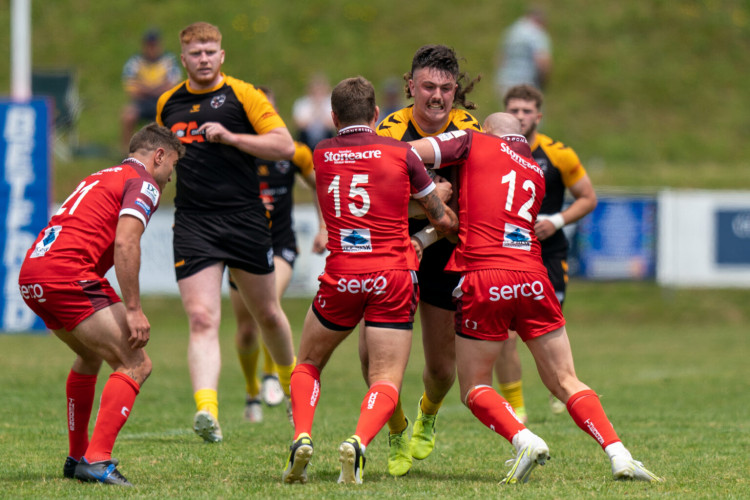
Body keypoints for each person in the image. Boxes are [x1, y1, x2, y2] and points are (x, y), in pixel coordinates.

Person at [409, 112, 663, 484]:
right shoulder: (534, 171)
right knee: (566, 379)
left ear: (488, 132)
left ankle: (523, 438)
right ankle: (619, 454)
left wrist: (432, 195)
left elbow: (406, 155)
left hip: (485, 276)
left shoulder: (472, 140)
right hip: (532, 275)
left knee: (475, 386)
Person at [281, 76, 458, 485]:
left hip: (343, 273)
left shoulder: (321, 154)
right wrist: (440, 201)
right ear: (376, 115)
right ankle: (359, 442)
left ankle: (302, 435)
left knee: (308, 362)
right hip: (393, 276)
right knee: (386, 378)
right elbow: (440, 219)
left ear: (333, 117)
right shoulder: (400, 153)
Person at [18, 123, 184, 487]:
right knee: (136, 363)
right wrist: (134, 308)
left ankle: (76, 457)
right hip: (66, 274)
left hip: (33, 275)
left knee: (91, 357)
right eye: (172, 164)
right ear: (158, 156)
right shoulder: (143, 182)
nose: (171, 176)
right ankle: (97, 460)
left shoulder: (101, 175)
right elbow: (126, 243)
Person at [156, 22, 297, 443]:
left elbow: (285, 145)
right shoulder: (168, 103)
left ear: (222, 56)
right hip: (194, 222)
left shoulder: (243, 95)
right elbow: (159, 156)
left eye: (209, 52)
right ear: (183, 59)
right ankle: (207, 411)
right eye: (195, 53)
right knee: (201, 318)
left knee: (267, 314)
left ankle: (294, 390)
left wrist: (233, 137)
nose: (203, 59)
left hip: (244, 218)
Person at [375, 44, 481, 477]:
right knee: (374, 361)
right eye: (428, 87)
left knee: (440, 369)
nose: (437, 97)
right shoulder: (388, 129)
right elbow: (378, 203)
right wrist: (428, 205)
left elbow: (469, 210)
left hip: (444, 255)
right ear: (410, 86)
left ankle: (428, 413)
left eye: (445, 88)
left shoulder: (469, 127)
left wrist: (428, 226)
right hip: (392, 250)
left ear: (455, 90)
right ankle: (396, 430)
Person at [495, 84, 598, 422]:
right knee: (506, 334)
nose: (520, 117)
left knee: (548, 331)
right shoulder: (491, 151)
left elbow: (587, 197)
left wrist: (555, 220)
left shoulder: (558, 154)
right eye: (514, 110)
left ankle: (563, 388)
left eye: (526, 111)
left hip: (548, 253)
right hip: (506, 253)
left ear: (538, 116)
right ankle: (517, 407)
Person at [232, 85, 327, 424]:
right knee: (245, 328)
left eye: (267, 109)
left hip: (281, 244)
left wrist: (323, 227)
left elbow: (319, 183)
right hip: (241, 248)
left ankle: (275, 376)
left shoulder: (293, 152)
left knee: (267, 304)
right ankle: (251, 391)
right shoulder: (234, 152)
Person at [121, 29, 182, 153]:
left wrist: (146, 88)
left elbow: (172, 86)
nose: (151, 48)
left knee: (172, 117)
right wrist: (157, 88)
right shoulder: (135, 62)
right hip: (142, 103)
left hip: (162, 103)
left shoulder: (169, 61)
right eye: (149, 45)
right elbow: (132, 89)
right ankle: (126, 152)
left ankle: (168, 151)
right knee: (128, 115)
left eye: (154, 45)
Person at [494, 7, 552, 101]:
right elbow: (543, 61)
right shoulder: (536, 33)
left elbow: (500, 58)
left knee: (509, 113)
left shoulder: (511, 30)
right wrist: (543, 83)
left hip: (505, 82)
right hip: (527, 84)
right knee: (529, 113)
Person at [292, 72, 336, 150]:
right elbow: (299, 125)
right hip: (306, 139)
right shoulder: (302, 103)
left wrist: (320, 110)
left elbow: (333, 125)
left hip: (326, 138)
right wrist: (315, 111)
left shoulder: (331, 103)